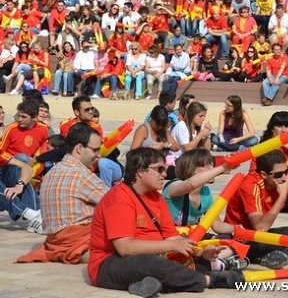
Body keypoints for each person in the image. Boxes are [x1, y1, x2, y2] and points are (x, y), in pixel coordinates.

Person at [88, 148, 244, 296]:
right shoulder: (119, 198)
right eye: (159, 169)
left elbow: (172, 236)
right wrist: (171, 246)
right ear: (140, 171)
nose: (164, 174)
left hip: (154, 256)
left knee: (189, 261)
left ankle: (151, 282)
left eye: (165, 169)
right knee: (148, 262)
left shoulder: (155, 197)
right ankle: (208, 280)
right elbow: (125, 248)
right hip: (109, 264)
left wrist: (198, 251)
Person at [17, 124, 109, 263]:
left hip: (56, 241)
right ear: (79, 148)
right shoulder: (80, 174)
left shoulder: (53, 172)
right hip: (79, 241)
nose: (98, 155)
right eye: (95, 150)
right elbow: (116, 201)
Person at [224, 150, 288, 269]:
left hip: (264, 235)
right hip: (243, 238)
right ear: (264, 175)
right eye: (278, 174)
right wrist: (282, 197)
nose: (284, 178)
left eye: (286, 171)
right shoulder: (251, 186)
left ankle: (280, 255)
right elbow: (260, 228)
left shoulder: (286, 182)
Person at [162, 149, 247, 270]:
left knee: (230, 239)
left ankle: (215, 261)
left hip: (195, 237)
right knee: (194, 246)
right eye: (205, 165)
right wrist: (224, 167)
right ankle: (217, 262)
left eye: (211, 164)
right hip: (173, 239)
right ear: (191, 169)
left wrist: (236, 229)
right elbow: (191, 184)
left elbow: (216, 225)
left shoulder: (205, 192)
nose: (211, 168)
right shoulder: (174, 186)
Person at [0, 100, 47, 234]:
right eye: (18, 115)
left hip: (22, 167)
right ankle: (34, 214)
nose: (18, 119)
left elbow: (43, 152)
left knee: (22, 166)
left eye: (23, 116)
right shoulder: (11, 129)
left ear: (34, 118)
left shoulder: (42, 129)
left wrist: (20, 183)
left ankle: (34, 216)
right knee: (21, 159)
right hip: (6, 168)